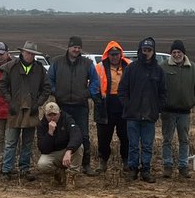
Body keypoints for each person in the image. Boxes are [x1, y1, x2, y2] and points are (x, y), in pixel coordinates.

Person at [48, 36, 99, 176]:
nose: (76, 49)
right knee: (63, 134)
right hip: (62, 106)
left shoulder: (87, 63)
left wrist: (88, 93)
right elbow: (49, 80)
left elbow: (95, 81)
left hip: (80, 106)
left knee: (84, 136)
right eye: (74, 47)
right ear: (68, 47)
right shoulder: (57, 62)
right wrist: (55, 92)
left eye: (78, 47)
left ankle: (86, 165)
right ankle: (64, 163)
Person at [0, 41, 49, 178]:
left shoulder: (39, 69)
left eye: (32, 54)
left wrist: (37, 103)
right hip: (15, 111)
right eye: (27, 53)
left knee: (27, 143)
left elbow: (46, 88)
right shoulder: (11, 67)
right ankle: (7, 170)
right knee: (10, 142)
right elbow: (2, 86)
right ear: (22, 52)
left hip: (31, 111)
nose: (29, 56)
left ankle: (24, 169)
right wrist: (11, 101)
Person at [119, 36, 166, 182]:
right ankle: (133, 170)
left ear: (153, 51)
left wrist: (157, 108)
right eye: (144, 50)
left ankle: (146, 170)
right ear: (140, 50)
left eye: (149, 50)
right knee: (133, 145)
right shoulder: (131, 68)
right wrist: (128, 105)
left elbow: (163, 93)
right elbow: (122, 90)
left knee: (147, 146)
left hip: (149, 116)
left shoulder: (158, 70)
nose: (146, 53)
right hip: (133, 115)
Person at [159, 40, 195, 178]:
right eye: (174, 52)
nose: (176, 55)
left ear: (183, 53)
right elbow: (159, 87)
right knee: (167, 140)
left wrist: (193, 100)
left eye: (179, 52)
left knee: (184, 140)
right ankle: (167, 166)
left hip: (184, 111)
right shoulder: (163, 67)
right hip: (168, 111)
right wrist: (162, 103)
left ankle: (183, 166)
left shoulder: (192, 68)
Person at [94, 40, 130, 172]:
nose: (114, 57)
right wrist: (97, 99)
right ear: (107, 55)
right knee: (103, 137)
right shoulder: (99, 67)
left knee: (125, 136)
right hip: (105, 105)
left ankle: (126, 161)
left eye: (116, 54)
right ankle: (103, 162)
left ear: (121, 54)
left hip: (124, 105)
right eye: (112, 54)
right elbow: (93, 85)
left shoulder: (129, 65)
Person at [36, 100, 83, 186]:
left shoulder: (67, 119)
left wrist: (69, 151)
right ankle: (59, 173)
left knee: (79, 147)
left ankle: (71, 175)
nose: (52, 117)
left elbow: (77, 135)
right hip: (52, 153)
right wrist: (50, 133)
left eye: (54, 114)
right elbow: (43, 149)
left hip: (66, 150)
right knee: (42, 164)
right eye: (49, 115)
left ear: (59, 113)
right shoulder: (42, 125)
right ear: (45, 115)